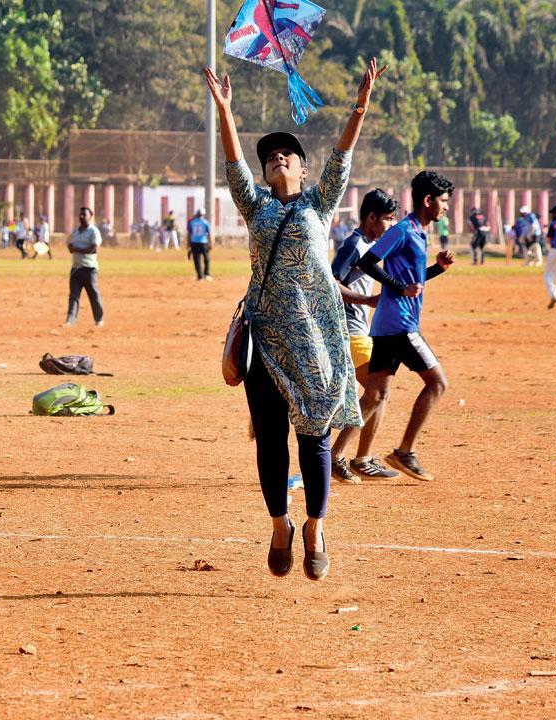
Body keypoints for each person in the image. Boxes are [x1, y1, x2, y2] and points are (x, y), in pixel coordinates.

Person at [204, 57, 385, 581]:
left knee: (315, 441)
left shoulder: (319, 205)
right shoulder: (256, 208)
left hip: (316, 345)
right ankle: (280, 525)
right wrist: (225, 110)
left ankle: (314, 527)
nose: (277, 158)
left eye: (287, 155)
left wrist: (360, 105)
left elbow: (342, 157)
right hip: (265, 341)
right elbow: (234, 163)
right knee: (270, 438)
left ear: (303, 170)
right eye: (271, 157)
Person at [353, 171, 456, 483]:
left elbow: (414, 281)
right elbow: (367, 262)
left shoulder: (419, 232)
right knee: (437, 383)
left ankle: (335, 456)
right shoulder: (403, 230)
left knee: (374, 395)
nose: (446, 207)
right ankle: (404, 452)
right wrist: (399, 287)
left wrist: (437, 269)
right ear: (428, 200)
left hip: (389, 325)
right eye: (443, 201)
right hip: (400, 324)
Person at [329, 189, 401, 484]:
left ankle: (362, 459)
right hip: (349, 332)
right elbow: (331, 283)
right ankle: (337, 456)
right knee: (377, 392)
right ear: (371, 217)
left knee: (380, 393)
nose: (391, 224)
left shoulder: (370, 248)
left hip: (362, 331)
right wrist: (367, 300)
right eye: (388, 219)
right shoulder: (353, 246)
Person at [64, 207, 105, 327]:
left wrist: (77, 249)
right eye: (80, 214)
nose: (81, 217)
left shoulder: (93, 231)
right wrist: (71, 247)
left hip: (89, 268)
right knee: (73, 296)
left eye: (84, 215)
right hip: (76, 268)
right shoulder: (76, 231)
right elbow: (70, 244)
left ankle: (99, 319)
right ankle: (70, 320)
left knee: (93, 295)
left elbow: (93, 249)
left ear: (90, 217)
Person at [186, 208, 212, 281]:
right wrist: (211, 243)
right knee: (206, 259)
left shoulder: (192, 222)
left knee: (197, 260)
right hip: (204, 242)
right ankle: (207, 274)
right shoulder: (206, 222)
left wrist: (188, 243)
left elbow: (189, 234)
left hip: (194, 242)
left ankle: (200, 276)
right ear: (203, 214)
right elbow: (209, 234)